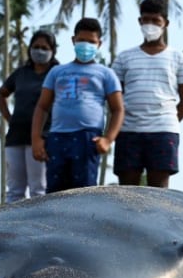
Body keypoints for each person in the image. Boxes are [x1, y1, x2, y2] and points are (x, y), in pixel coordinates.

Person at [31, 17, 124, 192]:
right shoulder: (57, 71)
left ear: (99, 44)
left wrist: (108, 139)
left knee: (84, 192)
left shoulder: (106, 74)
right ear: (73, 40)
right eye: (82, 40)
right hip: (57, 137)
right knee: (55, 192)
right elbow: (42, 106)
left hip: (87, 139)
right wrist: (36, 139)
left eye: (91, 42)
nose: (85, 45)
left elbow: (118, 109)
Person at [111, 0, 183, 188]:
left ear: (165, 23)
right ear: (140, 21)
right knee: (126, 191)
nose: (150, 25)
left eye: (155, 21)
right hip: (128, 131)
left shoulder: (179, 58)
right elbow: (114, 97)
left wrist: (166, 120)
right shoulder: (124, 58)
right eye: (146, 20)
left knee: (159, 191)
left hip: (163, 131)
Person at [0, 30, 59, 203]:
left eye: (44, 48)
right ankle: (11, 228)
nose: (39, 51)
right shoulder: (21, 73)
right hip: (16, 136)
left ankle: (38, 228)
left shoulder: (57, 72)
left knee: (38, 189)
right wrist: (9, 118)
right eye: (36, 47)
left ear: (53, 50)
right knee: (15, 190)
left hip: (42, 138)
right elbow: (1, 94)